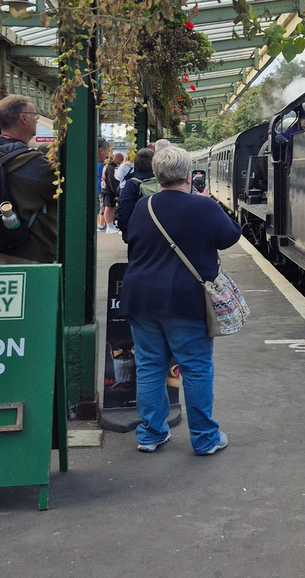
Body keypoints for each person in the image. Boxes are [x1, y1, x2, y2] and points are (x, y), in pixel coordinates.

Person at [120, 145, 241, 455]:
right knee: (196, 368)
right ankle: (204, 438)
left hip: (141, 297)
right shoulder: (204, 206)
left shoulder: (144, 206)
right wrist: (208, 202)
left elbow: (131, 238)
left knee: (149, 366)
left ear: (158, 175)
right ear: (189, 175)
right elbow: (230, 236)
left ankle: (150, 434)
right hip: (185, 301)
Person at [0, 95, 59, 264]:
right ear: (23, 118)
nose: (36, 120)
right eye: (35, 116)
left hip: (1, 248)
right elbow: (62, 189)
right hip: (32, 252)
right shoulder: (33, 163)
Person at [116, 148, 157, 241]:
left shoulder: (132, 183)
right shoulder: (162, 180)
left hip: (138, 230)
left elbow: (125, 208)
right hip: (158, 230)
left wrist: (126, 232)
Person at [100, 153, 120, 233]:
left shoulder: (107, 166)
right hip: (109, 190)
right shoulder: (111, 168)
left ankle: (110, 225)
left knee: (111, 207)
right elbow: (112, 181)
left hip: (106, 189)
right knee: (108, 207)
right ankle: (109, 226)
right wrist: (116, 191)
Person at [96, 138, 110, 231]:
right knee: (102, 206)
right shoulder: (102, 165)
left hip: (97, 188)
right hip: (100, 188)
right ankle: (101, 224)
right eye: (106, 151)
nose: (107, 154)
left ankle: (99, 223)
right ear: (101, 150)